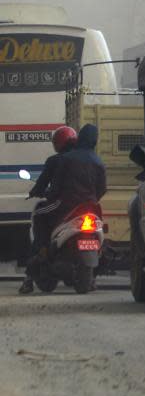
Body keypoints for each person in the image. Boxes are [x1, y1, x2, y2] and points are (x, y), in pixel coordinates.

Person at [19, 126, 77, 294]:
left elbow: (45, 185)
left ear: (59, 143)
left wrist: (35, 192)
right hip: (86, 204)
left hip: (62, 204)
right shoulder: (90, 158)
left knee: (38, 214)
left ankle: (40, 252)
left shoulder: (56, 160)